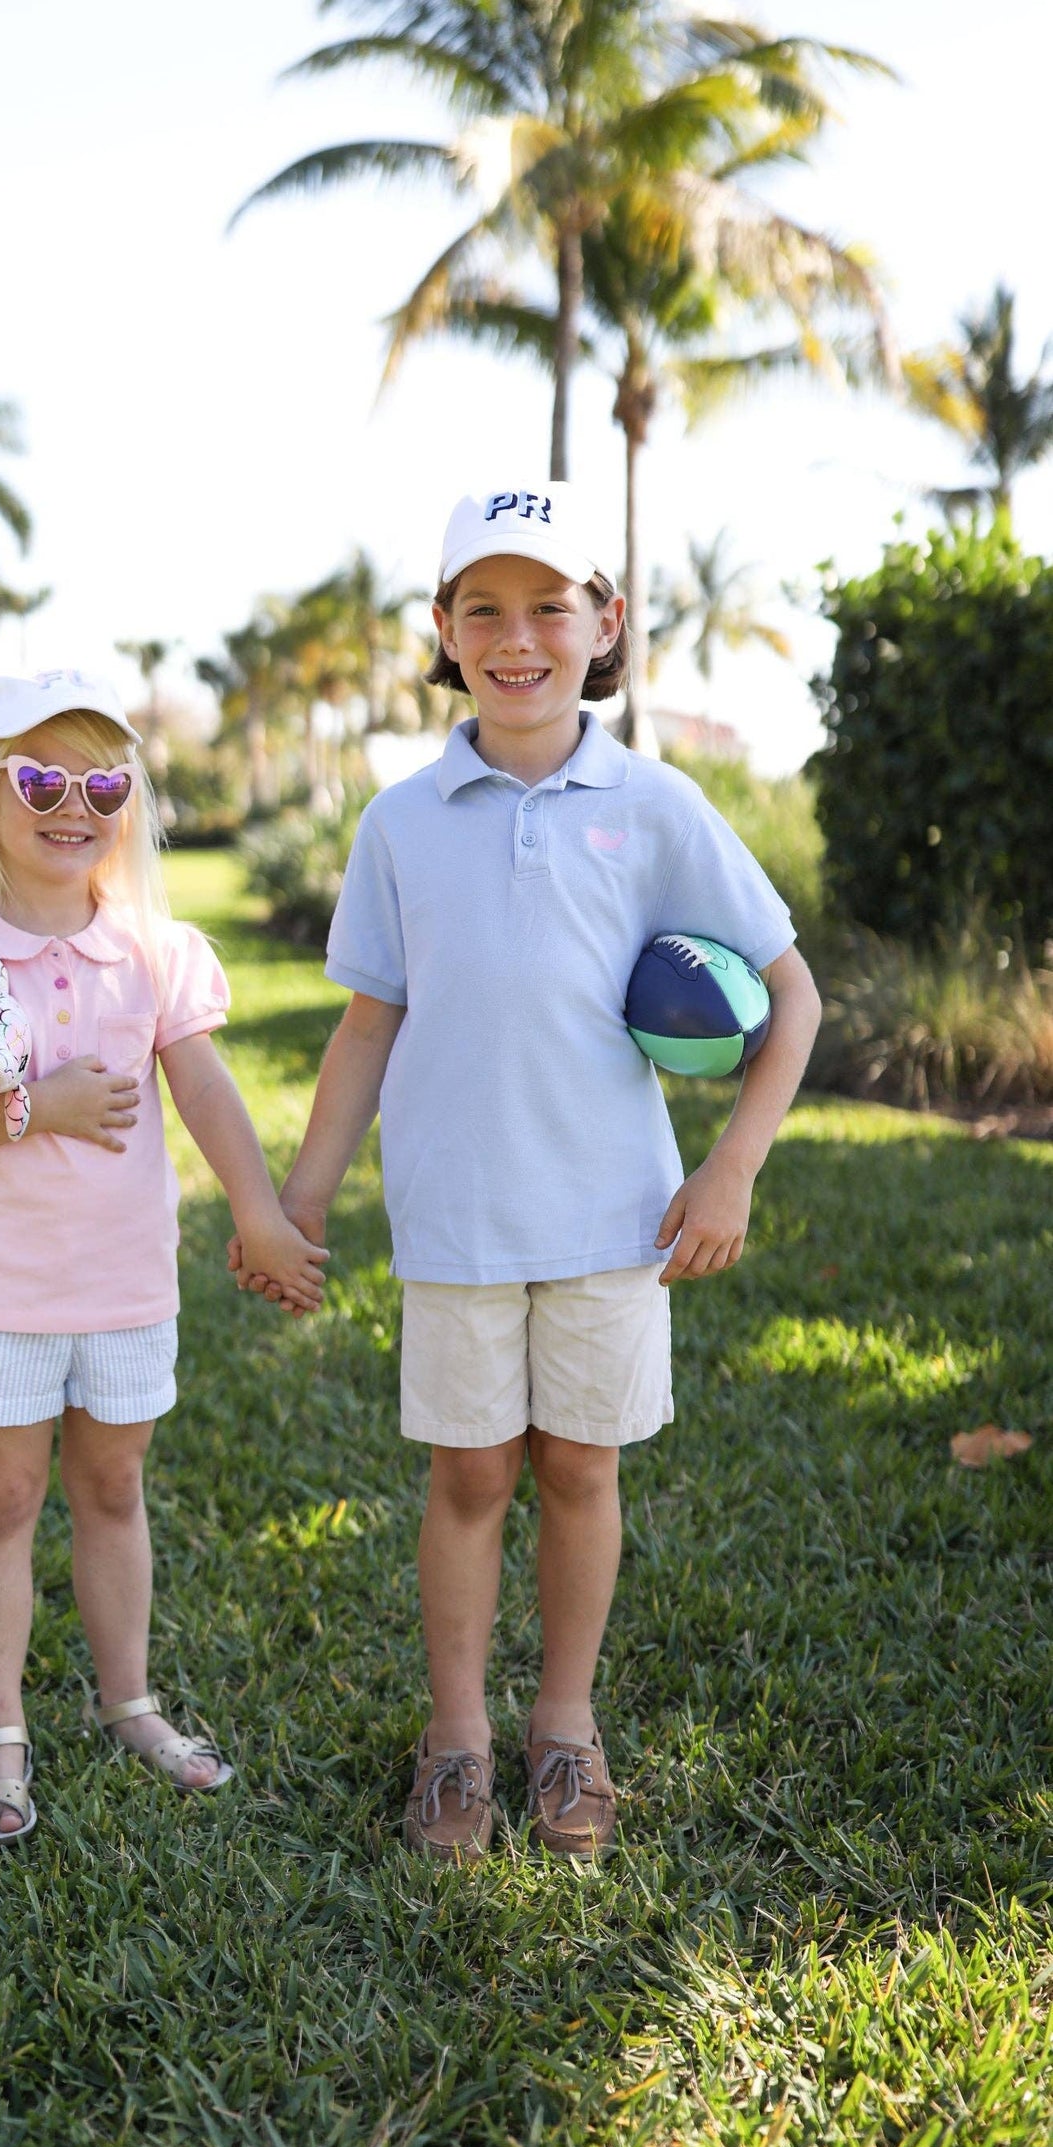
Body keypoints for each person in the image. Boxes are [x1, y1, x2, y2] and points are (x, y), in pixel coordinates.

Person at [234, 489, 823, 1864]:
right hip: (453, 1216)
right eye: (483, 610)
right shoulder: (402, 821)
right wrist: (303, 1194)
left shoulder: (656, 805)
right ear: (442, 632)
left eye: (548, 607)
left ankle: (564, 1728)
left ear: (602, 624)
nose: (517, 638)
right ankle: (456, 1745)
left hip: (616, 1217)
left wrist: (732, 1166)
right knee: (469, 1475)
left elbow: (791, 998)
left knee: (577, 1469)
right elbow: (369, 1021)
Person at [0, 669, 326, 1842]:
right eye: (40, 778)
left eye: (103, 782)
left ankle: (129, 1702)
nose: (73, 804)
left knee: (114, 1487)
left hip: (126, 1285)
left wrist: (260, 1211)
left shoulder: (154, 953)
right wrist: (36, 1106)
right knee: (3, 1496)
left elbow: (208, 1090)